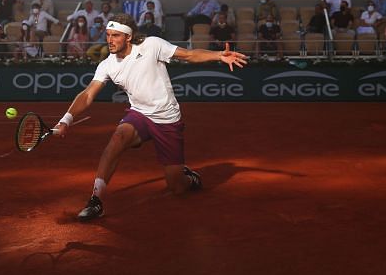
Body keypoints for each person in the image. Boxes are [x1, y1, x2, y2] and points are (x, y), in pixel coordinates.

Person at [54, 14, 248, 221]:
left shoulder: (152, 45)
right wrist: (66, 119)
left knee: (177, 187)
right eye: (108, 35)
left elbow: (189, 55)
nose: (110, 40)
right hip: (138, 114)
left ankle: (188, 178)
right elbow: (88, 94)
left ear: (128, 37)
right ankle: (96, 201)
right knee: (116, 140)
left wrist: (218, 55)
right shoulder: (107, 65)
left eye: (116, 35)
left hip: (167, 118)